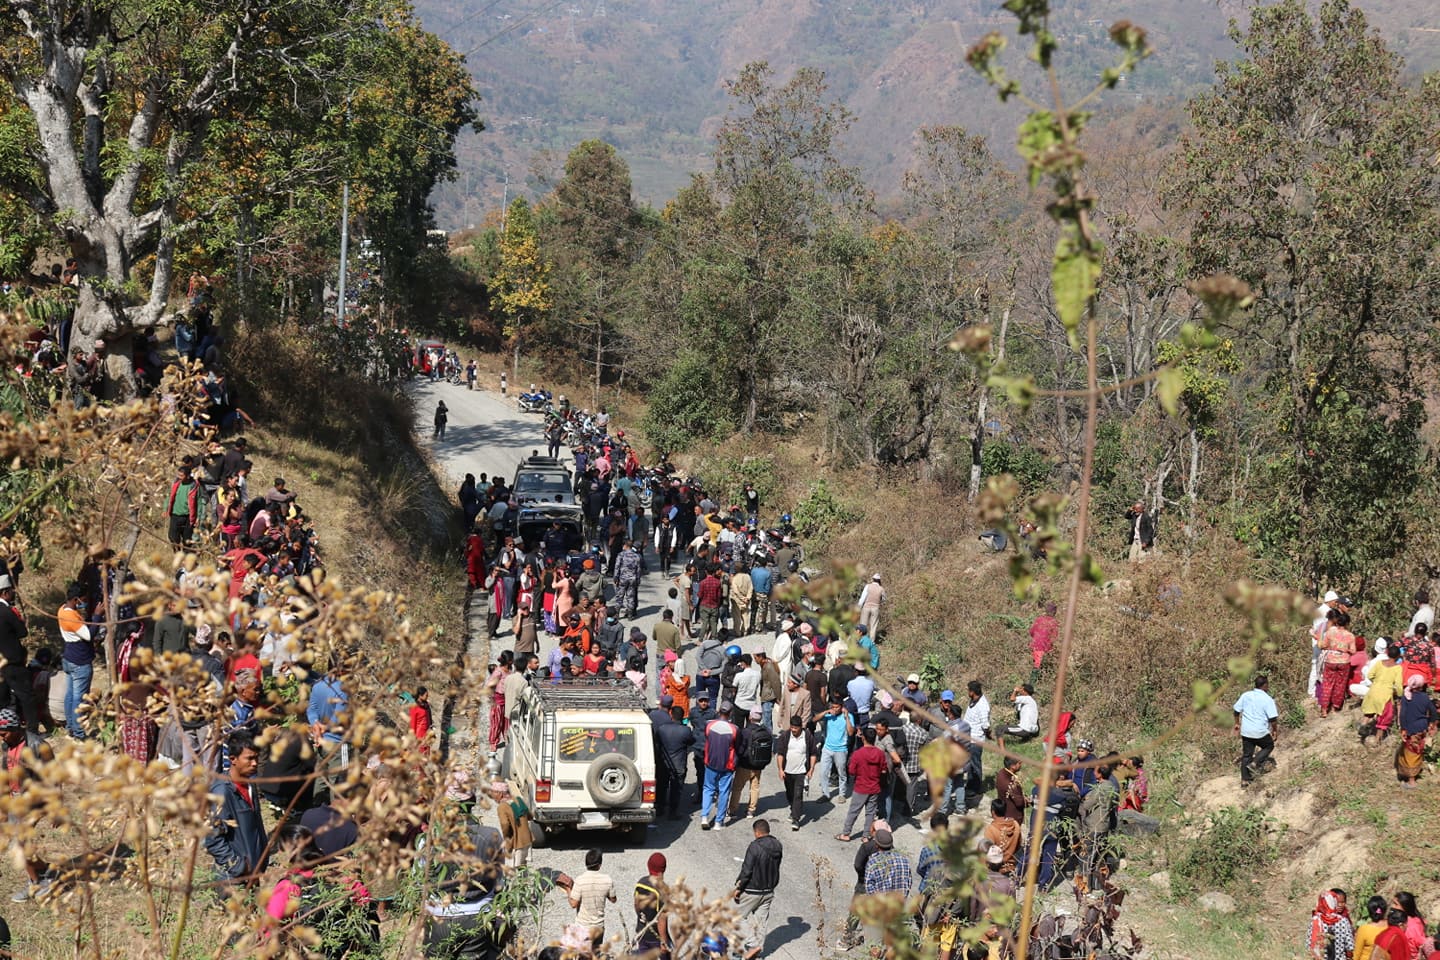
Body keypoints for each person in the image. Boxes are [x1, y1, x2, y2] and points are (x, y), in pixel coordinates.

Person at [1, 707, 55, 902]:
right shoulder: (7, 744)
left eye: (4, 733)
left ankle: (36, 883)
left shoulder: (38, 745)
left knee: (20, 845)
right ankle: (45, 870)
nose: (2, 738)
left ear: (16, 728)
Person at [204, 729, 268, 883]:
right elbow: (212, 839)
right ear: (233, 759)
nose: (255, 763)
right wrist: (239, 867)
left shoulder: (249, 786)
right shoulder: (222, 792)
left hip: (253, 873)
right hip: (233, 880)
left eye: (257, 758)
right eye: (250, 758)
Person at [731, 819, 783, 960]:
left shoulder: (754, 847)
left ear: (757, 832)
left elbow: (747, 870)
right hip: (769, 891)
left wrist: (739, 887)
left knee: (737, 918)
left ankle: (752, 945)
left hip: (752, 890)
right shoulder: (778, 845)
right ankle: (757, 951)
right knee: (761, 922)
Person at [0, 576, 38, 737]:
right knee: (26, 696)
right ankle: (32, 731)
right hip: (13, 661)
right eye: (11, 591)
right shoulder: (8, 612)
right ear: (5, 592)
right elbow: (23, 632)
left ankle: (6, 728)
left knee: (4, 697)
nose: (14, 593)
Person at [58, 584, 94, 740]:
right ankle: (79, 733)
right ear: (76, 599)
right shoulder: (71, 617)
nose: (84, 603)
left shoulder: (62, 609)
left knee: (71, 696)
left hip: (69, 658)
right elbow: (88, 635)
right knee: (78, 699)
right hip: (80, 662)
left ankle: (70, 728)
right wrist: (98, 616)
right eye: (83, 600)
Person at [838, 727, 887, 842]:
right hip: (874, 787)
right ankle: (866, 836)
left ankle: (846, 833)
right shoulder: (880, 754)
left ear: (863, 738)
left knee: (853, 811)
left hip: (861, 787)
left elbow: (851, 771)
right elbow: (883, 769)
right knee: (870, 813)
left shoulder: (858, 754)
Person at [773, 713, 818, 829]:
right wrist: (780, 769)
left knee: (798, 795)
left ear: (800, 727)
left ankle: (796, 819)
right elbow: (780, 754)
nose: (793, 730)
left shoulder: (807, 736)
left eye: (795, 728)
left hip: (801, 771)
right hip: (787, 771)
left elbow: (813, 753)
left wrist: (811, 769)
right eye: (792, 727)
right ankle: (793, 809)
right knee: (790, 793)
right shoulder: (785, 736)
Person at [1233, 674, 1278, 787]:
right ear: (1265, 685)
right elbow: (1273, 719)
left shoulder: (1246, 695)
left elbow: (1236, 710)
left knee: (1247, 755)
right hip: (1260, 731)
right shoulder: (1268, 699)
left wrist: (1237, 723)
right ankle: (1255, 763)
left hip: (1246, 731)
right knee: (1269, 746)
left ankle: (1244, 780)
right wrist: (1275, 730)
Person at [700, 703, 739, 830]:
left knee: (708, 788)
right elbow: (737, 746)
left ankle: (704, 816)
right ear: (731, 713)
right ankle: (718, 821)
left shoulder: (709, 725)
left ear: (719, 711)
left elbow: (706, 739)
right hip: (727, 765)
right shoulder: (734, 729)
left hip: (711, 762)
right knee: (724, 792)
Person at [568, 848, 615, 951]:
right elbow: (613, 899)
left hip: (583, 926)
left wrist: (568, 891)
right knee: (596, 953)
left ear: (586, 863)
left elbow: (573, 904)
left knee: (582, 954)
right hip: (598, 926)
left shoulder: (580, 880)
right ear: (599, 865)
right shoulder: (607, 880)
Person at [729, 709, 771, 821]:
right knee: (755, 787)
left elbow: (739, 748)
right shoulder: (766, 731)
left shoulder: (745, 731)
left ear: (750, 718)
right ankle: (751, 810)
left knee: (737, 788)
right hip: (758, 765)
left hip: (745, 764)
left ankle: (732, 810)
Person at [1395, 676, 1436, 787]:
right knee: (1417, 751)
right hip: (1422, 728)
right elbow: (1433, 712)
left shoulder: (1407, 697)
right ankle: (1411, 774)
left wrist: (1403, 728)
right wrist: (1432, 724)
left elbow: (1403, 715)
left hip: (1411, 728)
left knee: (1410, 753)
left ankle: (1411, 781)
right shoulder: (1425, 697)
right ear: (1421, 686)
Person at [632, 852, 671, 959]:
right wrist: (663, 942)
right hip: (656, 937)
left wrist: (641, 917)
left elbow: (636, 904)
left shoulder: (641, 882)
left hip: (642, 931)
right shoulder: (663, 890)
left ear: (648, 866)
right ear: (664, 869)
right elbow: (662, 919)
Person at [815, 697, 855, 802]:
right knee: (823, 772)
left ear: (842, 707)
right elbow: (814, 719)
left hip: (841, 749)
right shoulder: (829, 716)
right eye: (833, 707)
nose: (835, 709)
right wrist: (826, 712)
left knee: (841, 772)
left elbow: (851, 732)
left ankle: (842, 794)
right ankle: (825, 794)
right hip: (827, 748)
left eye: (837, 707)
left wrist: (846, 717)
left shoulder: (849, 716)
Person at [491, 781, 532, 868]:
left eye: (493, 792)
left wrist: (506, 838)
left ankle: (519, 881)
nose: (492, 796)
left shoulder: (502, 806)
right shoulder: (518, 799)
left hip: (517, 843)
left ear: (500, 793)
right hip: (527, 839)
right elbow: (530, 815)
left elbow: (505, 824)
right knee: (522, 865)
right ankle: (524, 880)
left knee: (512, 868)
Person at [1305, 888, 1354, 960]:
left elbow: (1309, 945)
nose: (1340, 905)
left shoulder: (1316, 920)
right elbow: (1350, 946)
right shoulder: (1343, 920)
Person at [1350, 895, 1389, 960]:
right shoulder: (1391, 927)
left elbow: (1356, 954)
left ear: (1369, 911)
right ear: (1384, 910)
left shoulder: (1364, 929)